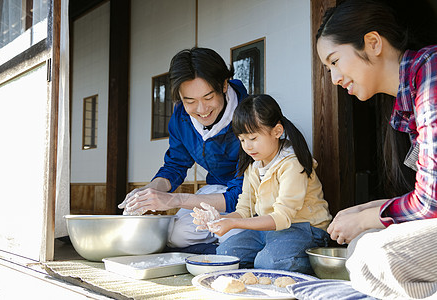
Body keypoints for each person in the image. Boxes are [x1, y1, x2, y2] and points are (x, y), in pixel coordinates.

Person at [316, 0, 437, 298]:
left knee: (374, 255)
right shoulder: (406, 101)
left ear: (372, 43)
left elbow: (429, 203)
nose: (334, 78)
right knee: (362, 245)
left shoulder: (431, 73)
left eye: (335, 61)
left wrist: (367, 217)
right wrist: (365, 211)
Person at [117, 47, 248, 253]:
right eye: (190, 101)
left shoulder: (250, 115)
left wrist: (173, 199)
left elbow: (240, 195)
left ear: (224, 85)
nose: (202, 110)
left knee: (232, 241)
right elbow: (175, 165)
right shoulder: (181, 118)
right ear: (180, 98)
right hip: (215, 191)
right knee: (175, 235)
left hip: (250, 196)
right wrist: (148, 192)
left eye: (208, 97)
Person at [191, 94, 331, 274]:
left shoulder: (291, 163)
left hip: (305, 229)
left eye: (253, 138)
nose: (247, 146)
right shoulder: (254, 165)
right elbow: (244, 210)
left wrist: (233, 223)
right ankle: (265, 259)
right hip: (268, 229)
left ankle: (315, 264)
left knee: (269, 263)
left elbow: (282, 217)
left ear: (277, 131)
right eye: (242, 140)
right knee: (225, 253)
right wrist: (219, 219)